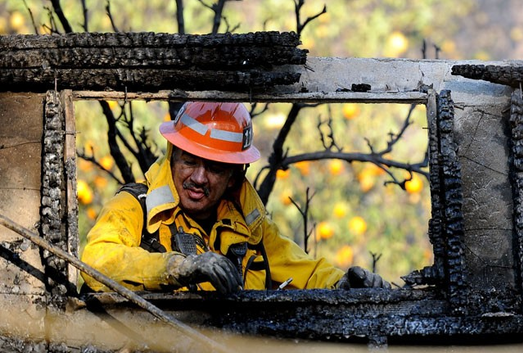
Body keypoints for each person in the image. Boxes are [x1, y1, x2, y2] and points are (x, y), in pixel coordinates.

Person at [80, 101, 390, 294]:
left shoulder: (246, 224)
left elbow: (300, 269)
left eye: (215, 168)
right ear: (172, 156)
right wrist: (179, 268)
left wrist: (342, 284)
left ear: (234, 176)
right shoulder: (135, 207)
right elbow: (98, 261)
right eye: (189, 161)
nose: (199, 178)